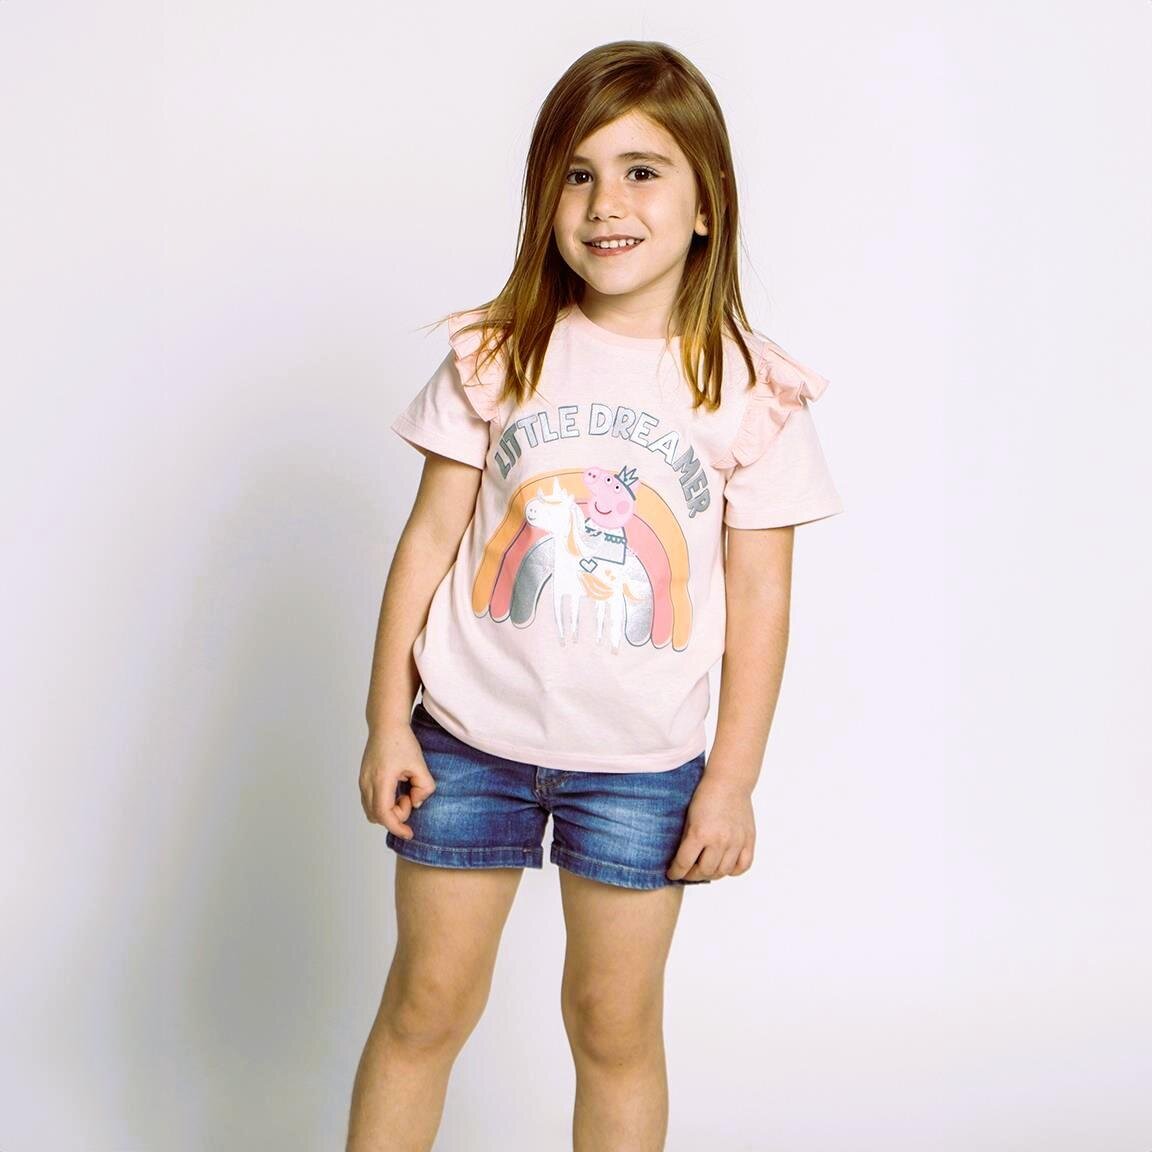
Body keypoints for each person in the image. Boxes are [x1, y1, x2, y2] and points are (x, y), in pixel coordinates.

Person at [346, 39, 845, 1152]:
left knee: (613, 1028)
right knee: (426, 1009)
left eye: (641, 171)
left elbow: (761, 604)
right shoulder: (501, 355)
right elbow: (426, 545)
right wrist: (386, 720)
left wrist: (731, 782)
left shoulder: (750, 390)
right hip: (466, 742)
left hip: (641, 767)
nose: (606, 202)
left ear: (707, 202)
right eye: (577, 173)